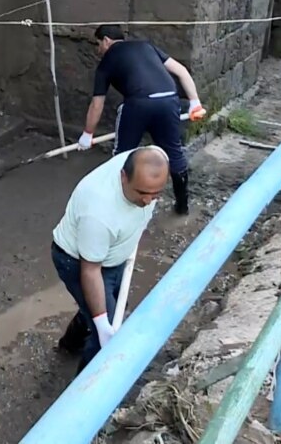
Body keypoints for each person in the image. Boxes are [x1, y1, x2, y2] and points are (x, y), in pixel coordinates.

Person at [51, 146, 170, 374]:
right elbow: (91, 271)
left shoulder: (153, 157)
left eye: (155, 195)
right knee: (104, 336)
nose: (147, 201)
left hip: (111, 255)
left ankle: (70, 344)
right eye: (141, 193)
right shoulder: (98, 212)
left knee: (107, 306)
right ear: (123, 177)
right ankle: (84, 394)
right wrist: (103, 324)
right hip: (77, 261)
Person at [77, 24, 206, 215]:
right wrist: (195, 102)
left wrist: (87, 134)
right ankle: (182, 206)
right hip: (169, 100)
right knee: (174, 152)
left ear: (106, 40)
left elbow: (97, 104)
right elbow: (181, 71)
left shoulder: (107, 61)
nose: (98, 50)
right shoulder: (147, 46)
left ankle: (115, 206)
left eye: (98, 44)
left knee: (122, 155)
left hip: (138, 105)